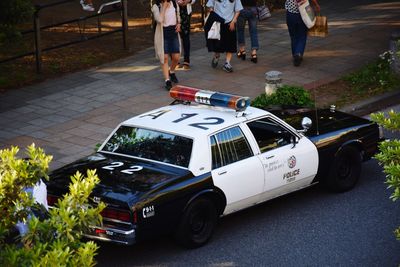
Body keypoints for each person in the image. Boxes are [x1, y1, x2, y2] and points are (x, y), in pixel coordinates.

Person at [205, 0, 243, 73]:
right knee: (217, 44)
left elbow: (238, 10)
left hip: (230, 23)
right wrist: (213, 14)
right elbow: (210, 6)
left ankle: (227, 63)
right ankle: (217, 55)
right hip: (218, 23)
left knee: (230, 44)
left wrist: (233, 21)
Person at [152, 0, 182, 90]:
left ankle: (171, 71)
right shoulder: (156, 6)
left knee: (176, 57)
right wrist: (164, 7)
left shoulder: (174, 4)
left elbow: (178, 16)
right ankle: (167, 80)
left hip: (173, 32)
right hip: (163, 34)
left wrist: (179, 24)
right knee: (164, 58)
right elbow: (159, 20)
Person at [285, 0, 320, 66]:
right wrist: (316, 4)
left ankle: (295, 54)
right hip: (303, 13)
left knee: (293, 36)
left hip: (290, 14)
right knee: (302, 36)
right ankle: (298, 53)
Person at [178, 0, 196, 69]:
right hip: (174, 12)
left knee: (185, 36)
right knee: (175, 36)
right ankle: (176, 60)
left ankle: (186, 60)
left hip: (186, 12)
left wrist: (188, 1)